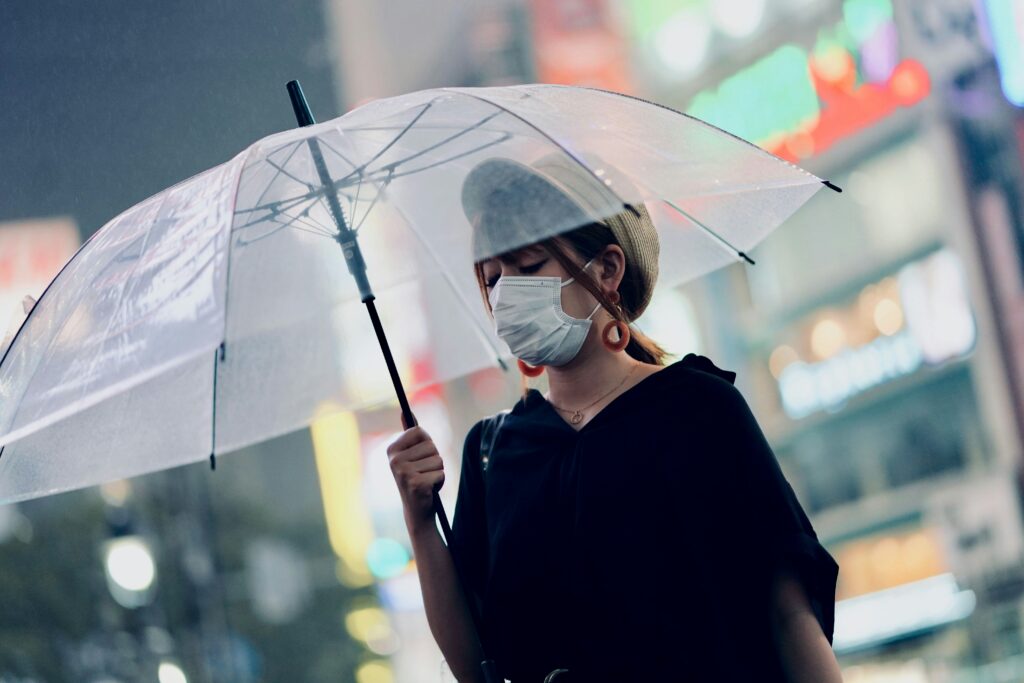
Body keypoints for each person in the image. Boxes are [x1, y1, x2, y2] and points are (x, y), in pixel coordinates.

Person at [387, 154, 842, 682]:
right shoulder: (492, 453)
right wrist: (420, 520)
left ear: (606, 269)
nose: (508, 293)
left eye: (530, 267)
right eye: (492, 280)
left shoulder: (698, 411)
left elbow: (786, 612)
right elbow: (474, 663)